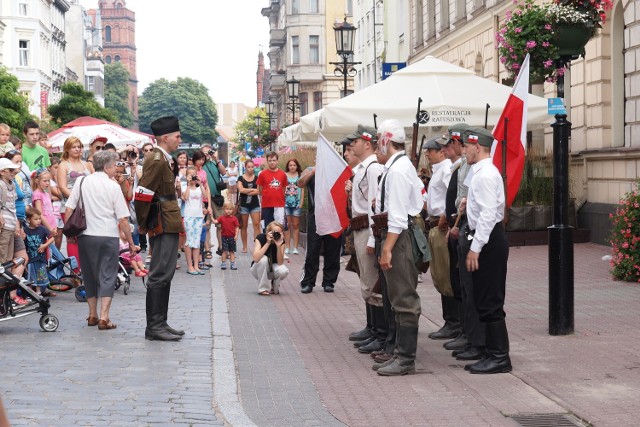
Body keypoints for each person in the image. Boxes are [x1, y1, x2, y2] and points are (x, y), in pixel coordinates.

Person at [373, 119, 425, 376]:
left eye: (378, 141)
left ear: (385, 140)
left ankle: (406, 358)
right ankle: (399, 354)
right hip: (397, 233)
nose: (376, 147)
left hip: (398, 236)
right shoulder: (398, 167)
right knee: (397, 296)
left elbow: (397, 216)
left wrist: (387, 249)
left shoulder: (397, 170)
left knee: (403, 297)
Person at [460, 126, 512, 374]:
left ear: (477, 147)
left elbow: (490, 214)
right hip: (486, 239)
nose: (463, 151)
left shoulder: (485, 174)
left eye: (466, 146)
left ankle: (499, 357)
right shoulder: (480, 173)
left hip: (489, 241)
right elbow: (483, 208)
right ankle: (492, 353)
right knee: (483, 298)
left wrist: (475, 248)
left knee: (490, 300)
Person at [65, 151, 135, 331]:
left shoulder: (81, 182)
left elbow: (69, 209)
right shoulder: (113, 186)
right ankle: (104, 317)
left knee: (88, 274)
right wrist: (131, 243)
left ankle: (92, 314)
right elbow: (123, 220)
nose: (116, 169)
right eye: (114, 166)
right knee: (107, 275)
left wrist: (69, 231)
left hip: (86, 235)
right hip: (107, 235)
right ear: (106, 167)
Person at [134, 116, 185, 341]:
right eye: (177, 136)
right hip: (161, 221)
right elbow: (143, 194)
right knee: (159, 274)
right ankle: (154, 327)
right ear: (165, 138)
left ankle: (160, 322)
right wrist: (144, 224)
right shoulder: (156, 159)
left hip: (167, 219)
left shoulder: (164, 158)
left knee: (166, 273)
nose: (179, 140)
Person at [343, 125, 387, 355]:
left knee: (373, 283)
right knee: (367, 283)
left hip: (366, 228)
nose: (351, 146)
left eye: (355, 142)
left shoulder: (373, 168)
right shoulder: (363, 168)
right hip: (360, 228)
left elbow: (374, 206)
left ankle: (380, 333)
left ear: (367, 143)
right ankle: (373, 328)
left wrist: (372, 237)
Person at [423, 136, 460, 342]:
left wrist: (445, 218)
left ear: (441, 152)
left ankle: (453, 321)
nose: (427, 154)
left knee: (445, 275)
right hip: (436, 223)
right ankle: (451, 321)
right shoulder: (440, 169)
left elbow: (451, 197)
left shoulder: (446, 170)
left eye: (431, 150)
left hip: (441, 225)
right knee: (440, 275)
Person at [297, 166, 343, 294]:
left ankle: (329, 282)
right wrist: (312, 172)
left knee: (332, 249)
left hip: (333, 216)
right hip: (315, 215)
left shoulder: (335, 168)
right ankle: (308, 282)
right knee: (313, 249)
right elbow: (300, 183)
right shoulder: (310, 169)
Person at [0, 158, 28, 306]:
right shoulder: (1, 185)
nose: (13, 173)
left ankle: (7, 295)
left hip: (11, 226)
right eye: (9, 171)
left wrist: (17, 225)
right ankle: (3, 297)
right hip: (4, 228)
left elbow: (13, 208)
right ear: (2, 172)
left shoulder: (10, 184)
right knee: (3, 263)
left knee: (9, 262)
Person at [201, 145, 227, 255]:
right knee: (207, 225)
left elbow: (224, 172)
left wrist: (217, 160)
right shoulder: (200, 166)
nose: (207, 155)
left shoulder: (214, 163)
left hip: (217, 198)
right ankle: (207, 249)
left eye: (209, 152)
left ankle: (221, 247)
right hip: (205, 199)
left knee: (220, 225)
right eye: (204, 153)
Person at [251, 220, 288, 295]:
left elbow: (280, 262)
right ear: (268, 232)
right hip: (257, 269)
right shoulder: (261, 237)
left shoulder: (281, 241)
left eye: (279, 233)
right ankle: (262, 288)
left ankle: (274, 286)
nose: (276, 235)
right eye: (274, 232)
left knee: (283, 270)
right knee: (263, 259)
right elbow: (255, 258)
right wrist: (268, 243)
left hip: (272, 269)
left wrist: (278, 246)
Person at [23, 206, 54, 295]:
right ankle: (29, 292)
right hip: (30, 258)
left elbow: (52, 238)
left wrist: (44, 245)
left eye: (39, 219)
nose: (39, 221)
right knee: (30, 275)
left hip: (40, 257)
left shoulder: (42, 229)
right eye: (36, 219)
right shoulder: (25, 230)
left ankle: (38, 291)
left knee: (40, 275)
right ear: (29, 220)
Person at [182, 166, 206, 275]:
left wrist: (200, 183)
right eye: (190, 175)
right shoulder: (184, 186)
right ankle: (189, 266)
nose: (192, 177)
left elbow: (205, 196)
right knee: (189, 241)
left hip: (199, 216)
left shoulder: (199, 187)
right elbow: (185, 198)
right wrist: (188, 183)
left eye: (194, 174)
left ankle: (196, 265)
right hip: (189, 215)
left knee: (197, 242)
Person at [256, 151, 287, 232]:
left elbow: (283, 189)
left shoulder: (283, 174)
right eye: (270, 160)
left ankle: (278, 244)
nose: (272, 162)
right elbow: (259, 190)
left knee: (279, 229)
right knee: (267, 229)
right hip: (266, 205)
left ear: (277, 161)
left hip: (279, 205)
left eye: (274, 160)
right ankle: (267, 245)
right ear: (267, 161)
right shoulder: (262, 174)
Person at [236, 159, 261, 253]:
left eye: (252, 167)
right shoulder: (241, 178)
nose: (250, 169)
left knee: (256, 225)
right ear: (245, 167)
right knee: (244, 226)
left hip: (255, 205)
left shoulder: (257, 178)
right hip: (244, 205)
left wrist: (245, 190)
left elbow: (259, 191)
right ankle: (245, 246)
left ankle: (257, 246)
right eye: (248, 167)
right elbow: (240, 190)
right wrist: (251, 190)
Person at [283, 158, 304, 255]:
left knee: (295, 225)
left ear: (297, 166)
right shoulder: (284, 175)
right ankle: (287, 246)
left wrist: (301, 203)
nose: (292, 167)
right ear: (288, 166)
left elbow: (303, 189)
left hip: (297, 204)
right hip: (286, 204)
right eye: (290, 165)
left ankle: (295, 247)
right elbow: (282, 188)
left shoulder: (300, 176)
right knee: (287, 226)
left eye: (294, 165)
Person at [212, 201, 240, 270]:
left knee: (232, 251)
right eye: (227, 209)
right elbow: (215, 221)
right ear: (223, 209)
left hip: (232, 237)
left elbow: (237, 227)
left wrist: (236, 235)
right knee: (224, 251)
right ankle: (223, 263)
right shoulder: (221, 218)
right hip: (224, 237)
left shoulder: (234, 218)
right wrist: (211, 216)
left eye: (230, 209)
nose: (228, 211)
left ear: (232, 210)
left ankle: (232, 264)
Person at [48, 157, 64, 249]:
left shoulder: (57, 180)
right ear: (49, 167)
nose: (57, 170)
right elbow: (60, 194)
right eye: (55, 167)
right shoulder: (49, 181)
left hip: (61, 208)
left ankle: (58, 256)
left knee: (60, 234)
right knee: (54, 234)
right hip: (53, 210)